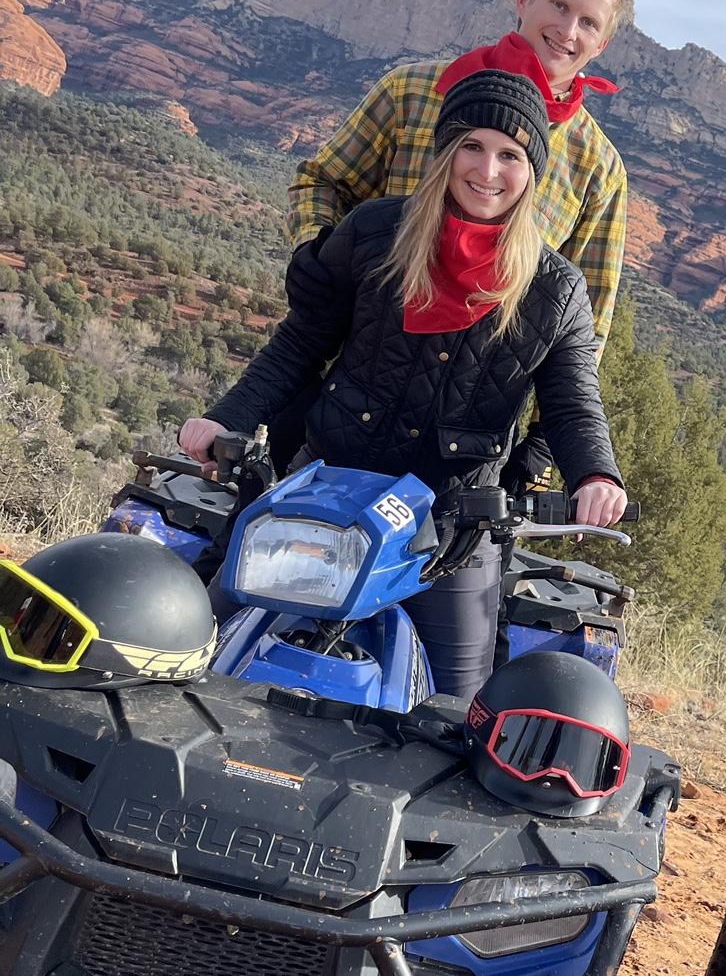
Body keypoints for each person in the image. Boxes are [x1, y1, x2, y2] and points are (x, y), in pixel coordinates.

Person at [179, 70, 627, 701]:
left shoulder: (555, 289)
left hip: (451, 521)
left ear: (533, 174)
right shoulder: (373, 233)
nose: (488, 170)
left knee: (456, 709)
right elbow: (301, 343)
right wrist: (226, 418)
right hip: (329, 484)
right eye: (471, 146)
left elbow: (573, 401)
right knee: (203, 640)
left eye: (510, 156)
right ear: (445, 150)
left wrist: (595, 477)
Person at [281, 0, 636, 487]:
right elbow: (323, 181)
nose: (567, 29)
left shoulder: (598, 167)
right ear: (522, 0)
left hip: (459, 444)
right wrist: (313, 251)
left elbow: (587, 318)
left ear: (601, 43)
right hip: (337, 393)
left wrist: (542, 445)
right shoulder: (411, 90)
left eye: (588, 22)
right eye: (558, 6)